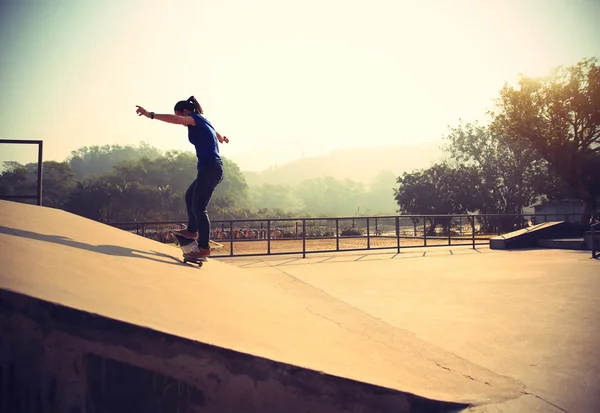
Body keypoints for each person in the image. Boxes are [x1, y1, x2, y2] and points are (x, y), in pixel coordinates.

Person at [135, 96, 228, 259]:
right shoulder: (204, 121)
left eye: (181, 115)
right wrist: (221, 138)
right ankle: (192, 231)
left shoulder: (193, 119)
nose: (182, 120)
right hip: (209, 169)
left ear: (185, 111)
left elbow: (177, 119)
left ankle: (204, 247)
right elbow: (217, 134)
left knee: (199, 208)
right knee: (189, 195)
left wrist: (151, 114)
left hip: (210, 169)